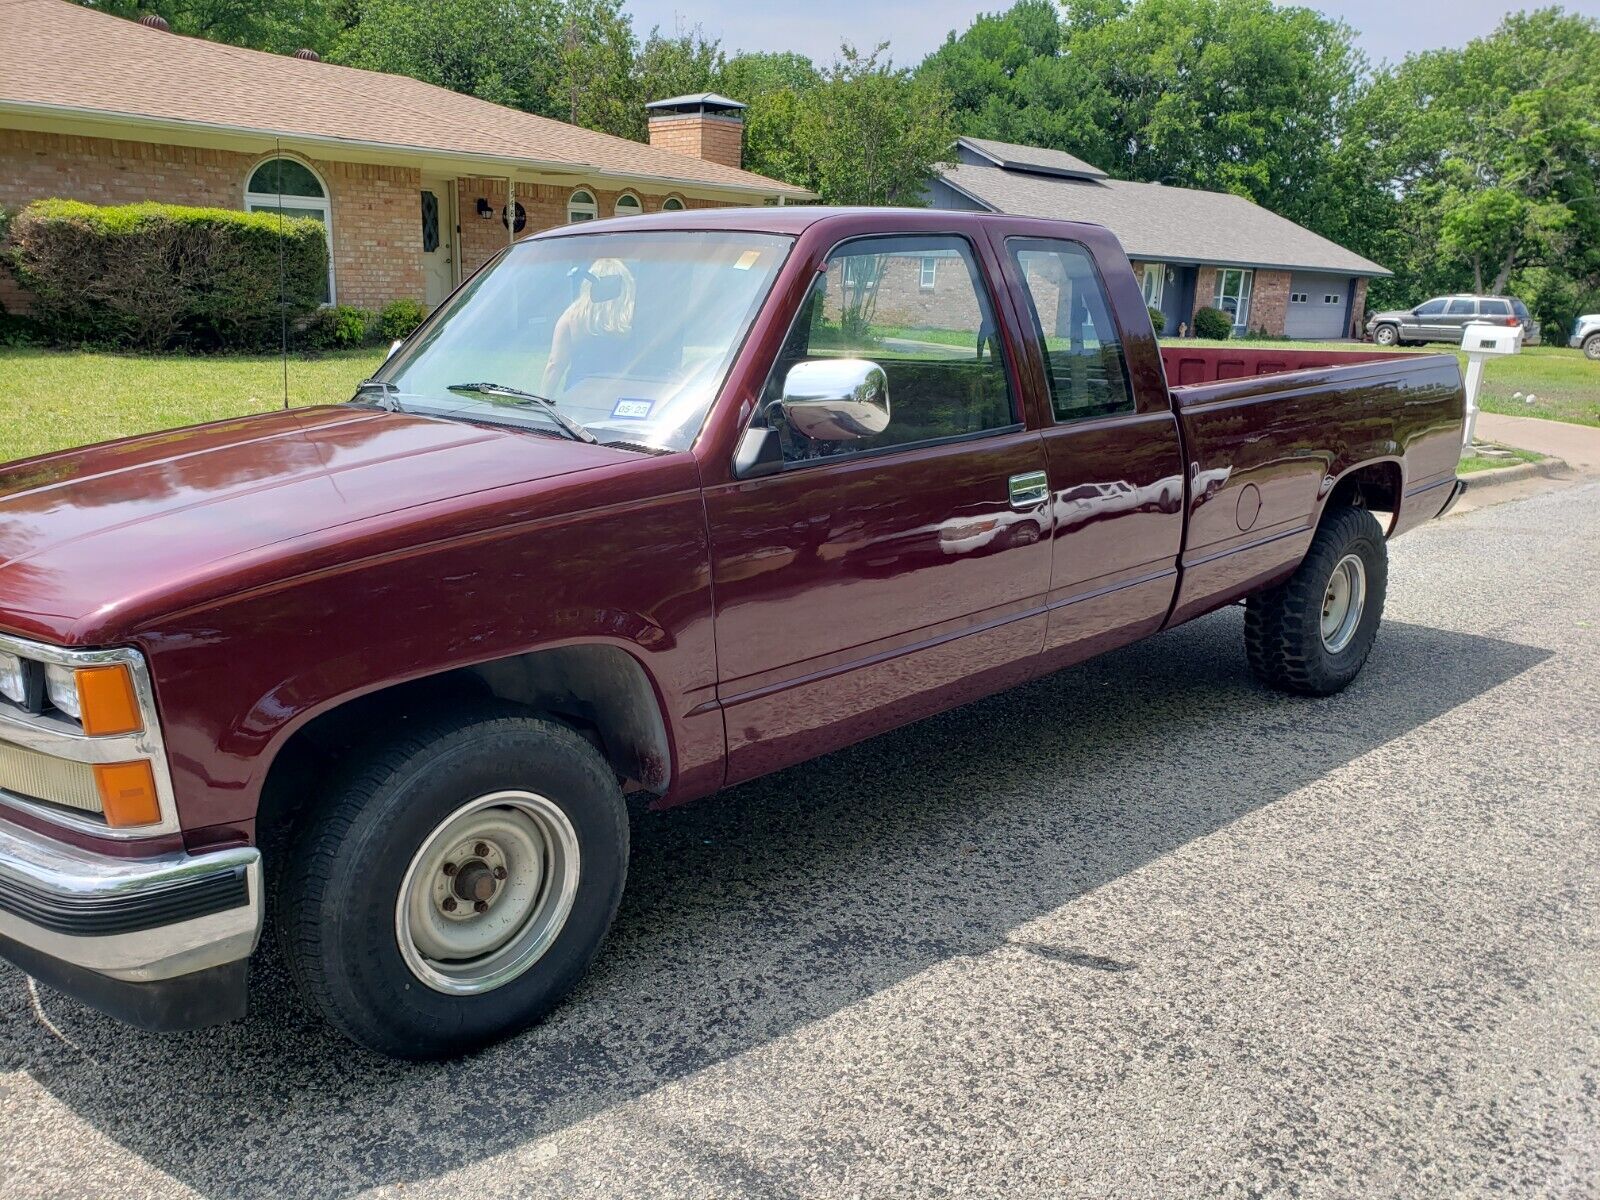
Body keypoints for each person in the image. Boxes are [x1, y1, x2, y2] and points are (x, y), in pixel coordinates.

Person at [540, 258, 636, 396]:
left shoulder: (573, 315)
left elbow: (555, 364)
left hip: (579, 394)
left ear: (589, 284)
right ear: (625, 284)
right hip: (625, 396)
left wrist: (544, 400)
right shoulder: (634, 315)